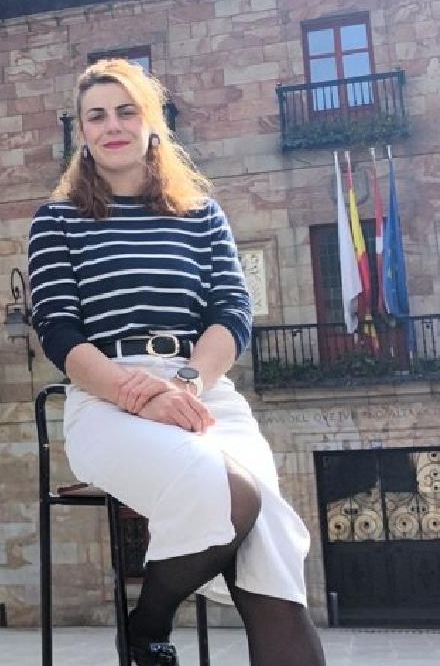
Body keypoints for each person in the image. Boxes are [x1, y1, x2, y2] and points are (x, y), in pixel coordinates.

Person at [28, 59, 325, 666]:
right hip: (108, 397)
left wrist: (186, 382)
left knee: (268, 536)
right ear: (81, 133)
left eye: (126, 111)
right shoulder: (56, 221)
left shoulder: (201, 215)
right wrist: (143, 393)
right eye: (96, 116)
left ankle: (144, 630)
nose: (112, 126)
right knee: (229, 491)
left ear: (151, 121)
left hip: (203, 388)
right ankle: (150, 623)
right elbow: (58, 331)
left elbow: (230, 312)